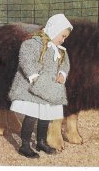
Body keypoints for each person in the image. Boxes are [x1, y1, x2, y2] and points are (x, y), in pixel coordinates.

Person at [9, 14, 73, 158]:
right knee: (32, 115)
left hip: (49, 88)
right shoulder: (33, 43)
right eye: (62, 36)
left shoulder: (60, 50)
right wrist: (33, 76)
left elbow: (65, 64)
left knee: (46, 115)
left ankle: (41, 141)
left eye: (65, 38)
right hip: (32, 88)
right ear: (54, 29)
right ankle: (25, 145)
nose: (63, 40)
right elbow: (26, 58)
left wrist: (62, 73)